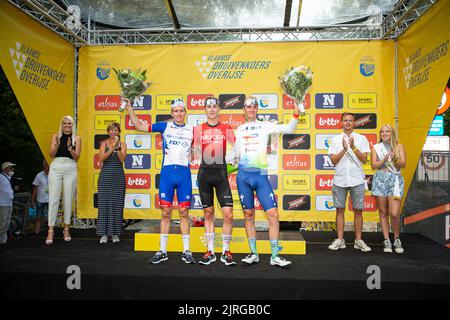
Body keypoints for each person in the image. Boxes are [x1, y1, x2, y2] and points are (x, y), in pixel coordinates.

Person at [125, 98, 195, 264]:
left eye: (181, 110)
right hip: (167, 174)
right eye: (176, 111)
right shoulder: (165, 126)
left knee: (184, 213)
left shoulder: (192, 129)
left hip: (184, 174)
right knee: (165, 212)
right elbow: (140, 126)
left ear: (185, 112)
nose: (179, 114)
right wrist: (129, 109)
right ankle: (162, 250)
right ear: (172, 113)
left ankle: (187, 250)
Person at [235, 96, 299, 267]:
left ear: (257, 109)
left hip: (260, 176)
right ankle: (253, 253)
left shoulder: (265, 125)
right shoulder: (239, 130)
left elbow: (290, 129)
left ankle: (275, 255)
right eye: (248, 106)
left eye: (254, 106)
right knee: (249, 216)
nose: (251, 109)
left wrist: (296, 112)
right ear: (244, 109)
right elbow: (235, 155)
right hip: (243, 177)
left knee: (273, 215)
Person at [193, 97, 236, 266]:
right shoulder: (198, 129)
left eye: (214, 106)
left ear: (219, 109)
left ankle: (226, 250)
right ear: (205, 109)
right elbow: (193, 151)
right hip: (204, 174)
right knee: (208, 214)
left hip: (221, 174)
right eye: (208, 107)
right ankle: (210, 251)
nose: (211, 109)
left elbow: (239, 147)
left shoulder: (226, 128)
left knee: (228, 214)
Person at [328, 112, 371, 252]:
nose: (347, 123)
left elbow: (365, 159)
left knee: (358, 211)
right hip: (340, 179)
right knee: (339, 210)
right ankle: (340, 240)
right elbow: (333, 161)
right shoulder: (335, 140)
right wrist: (344, 149)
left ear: (354, 123)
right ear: (341, 123)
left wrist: (353, 147)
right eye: (345, 120)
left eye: (350, 120)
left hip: (357, 179)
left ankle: (358, 240)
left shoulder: (362, 139)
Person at [371, 124, 406, 253]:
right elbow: (373, 165)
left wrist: (395, 158)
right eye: (382, 131)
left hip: (395, 179)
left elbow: (403, 164)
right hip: (380, 179)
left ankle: (397, 238)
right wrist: (384, 160)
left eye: (387, 131)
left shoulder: (399, 146)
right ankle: (386, 239)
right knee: (383, 212)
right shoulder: (376, 147)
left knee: (394, 213)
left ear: (392, 133)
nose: (384, 133)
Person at [46, 115, 81, 245]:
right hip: (56, 166)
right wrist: (58, 144)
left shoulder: (77, 138)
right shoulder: (56, 137)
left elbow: (77, 156)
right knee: (53, 199)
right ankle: (51, 231)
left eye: (69, 124)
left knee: (68, 198)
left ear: (73, 125)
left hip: (70, 167)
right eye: (65, 123)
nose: (67, 126)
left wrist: (70, 147)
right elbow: (51, 154)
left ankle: (66, 229)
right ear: (62, 125)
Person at [97, 122, 127, 244]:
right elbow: (101, 159)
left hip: (118, 176)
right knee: (104, 204)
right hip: (105, 176)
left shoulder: (123, 144)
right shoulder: (103, 144)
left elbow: (122, 159)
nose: (114, 132)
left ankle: (115, 234)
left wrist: (118, 147)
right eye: (111, 130)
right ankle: (103, 234)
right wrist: (112, 147)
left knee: (117, 204)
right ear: (108, 132)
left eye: (116, 130)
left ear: (119, 132)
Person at [31, 161, 49, 234]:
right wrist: (32, 200)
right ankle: (36, 233)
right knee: (38, 217)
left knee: (51, 217)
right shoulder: (39, 175)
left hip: (51, 199)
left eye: (48, 165)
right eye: (45, 165)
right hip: (40, 199)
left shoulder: (54, 174)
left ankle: (50, 233)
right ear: (43, 166)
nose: (46, 166)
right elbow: (35, 188)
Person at [0, 162, 16, 244]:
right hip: (2, 204)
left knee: (7, 223)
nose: (13, 169)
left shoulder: (8, 178)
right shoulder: (1, 177)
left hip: (9, 203)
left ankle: (3, 241)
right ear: (5, 169)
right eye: (11, 168)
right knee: (3, 223)